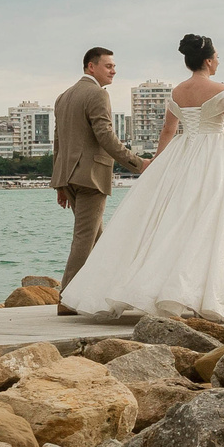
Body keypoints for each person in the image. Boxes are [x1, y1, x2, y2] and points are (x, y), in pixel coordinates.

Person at [58, 32, 224, 322]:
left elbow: (168, 130)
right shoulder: (220, 90)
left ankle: (138, 285)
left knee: (173, 221)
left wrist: (158, 163)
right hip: (214, 160)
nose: (218, 61)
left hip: (182, 155)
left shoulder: (177, 92)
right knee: (212, 222)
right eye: (217, 57)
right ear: (208, 61)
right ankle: (201, 292)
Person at [52, 46, 146, 299]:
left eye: (114, 66)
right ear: (91, 67)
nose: (114, 71)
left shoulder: (64, 96)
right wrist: (138, 163)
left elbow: (58, 142)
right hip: (90, 176)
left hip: (69, 177)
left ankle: (107, 290)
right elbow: (105, 135)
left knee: (97, 238)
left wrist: (60, 183)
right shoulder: (97, 94)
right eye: (108, 66)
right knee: (85, 237)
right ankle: (68, 297)